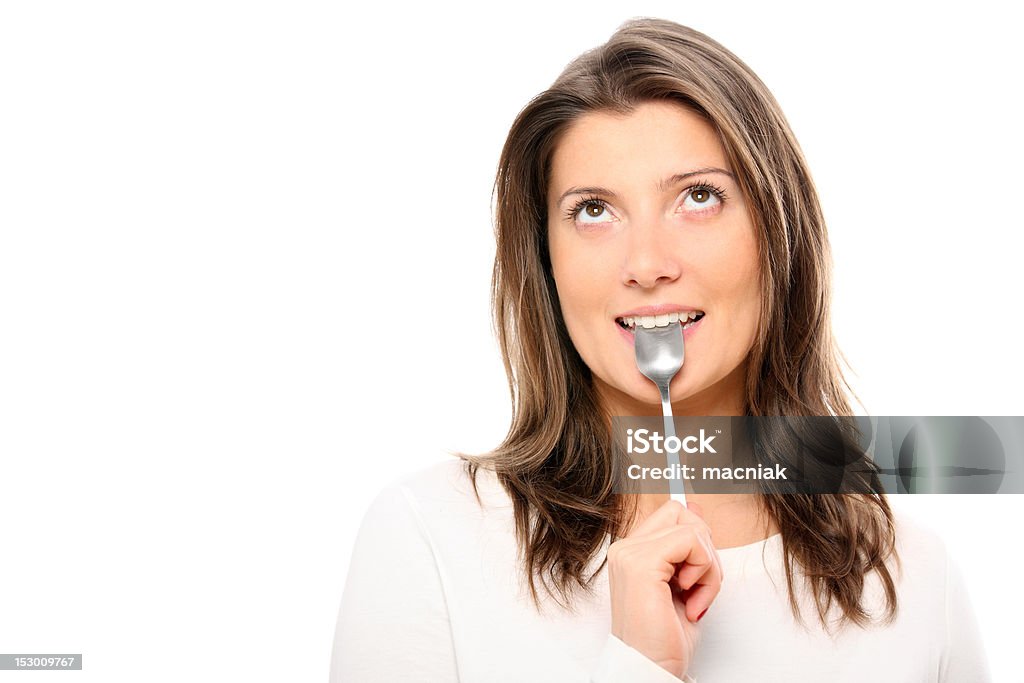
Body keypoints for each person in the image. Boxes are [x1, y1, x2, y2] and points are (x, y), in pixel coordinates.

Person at [329, 18, 990, 682]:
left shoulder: (911, 578)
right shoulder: (431, 540)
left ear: (778, 234)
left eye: (698, 197)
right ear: (546, 262)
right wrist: (639, 665)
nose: (646, 264)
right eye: (594, 210)